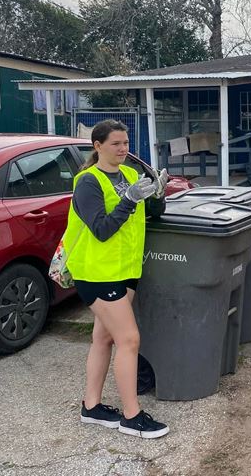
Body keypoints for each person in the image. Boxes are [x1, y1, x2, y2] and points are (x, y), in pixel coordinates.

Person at [68, 120, 170, 439]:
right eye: (116, 144)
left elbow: (150, 213)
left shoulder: (128, 175)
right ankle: (132, 416)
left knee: (104, 338)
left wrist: (156, 194)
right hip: (96, 273)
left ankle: (92, 406)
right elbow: (101, 229)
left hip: (125, 271)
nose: (123, 149)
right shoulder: (88, 181)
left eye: (126, 143)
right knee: (129, 340)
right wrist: (130, 200)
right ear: (97, 146)